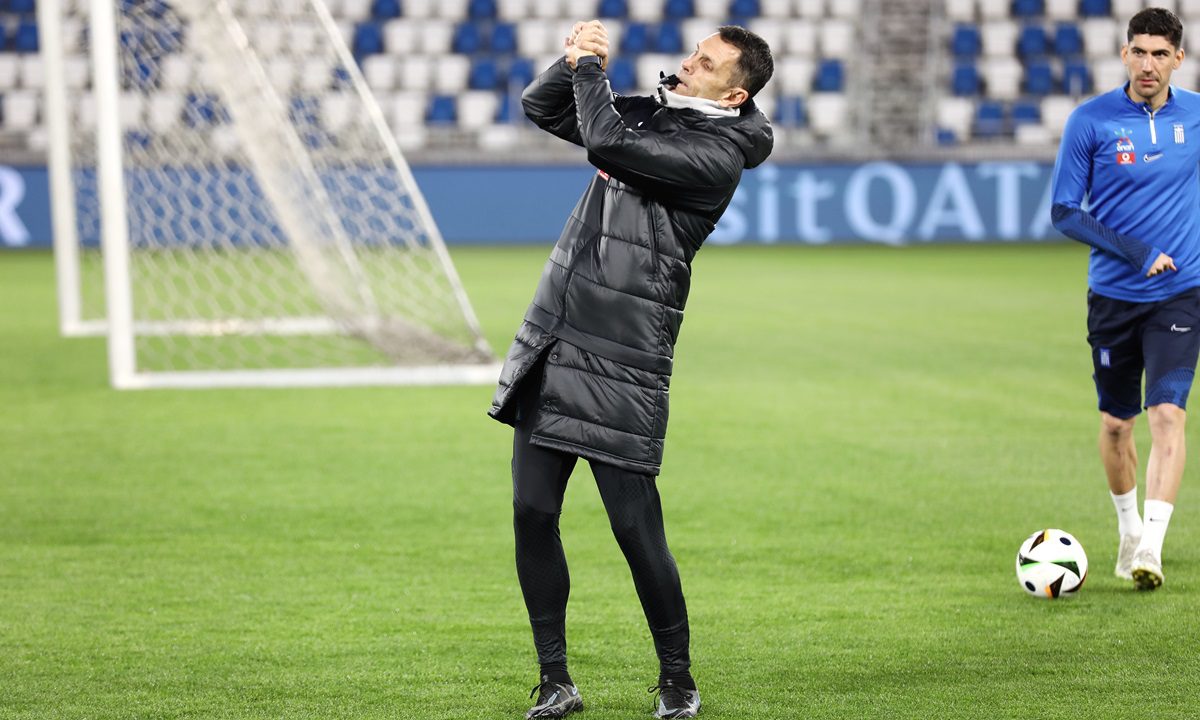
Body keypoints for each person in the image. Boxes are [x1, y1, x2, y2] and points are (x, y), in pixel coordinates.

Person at [487, 20, 773, 719]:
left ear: (733, 95)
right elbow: (542, 107)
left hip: (622, 355)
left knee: (635, 528)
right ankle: (555, 679)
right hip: (558, 332)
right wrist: (571, 63)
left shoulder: (718, 156)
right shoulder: (657, 113)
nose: (688, 62)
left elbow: (608, 141)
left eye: (706, 62)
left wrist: (592, 71)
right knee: (531, 512)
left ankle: (677, 679)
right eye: (694, 51)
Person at [1050, 6, 1200, 591]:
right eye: (1138, 51)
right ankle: (1128, 532)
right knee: (1117, 424)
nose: (1148, 64)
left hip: (1180, 295)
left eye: (1160, 54)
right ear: (1124, 54)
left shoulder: (1196, 117)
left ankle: (1151, 550)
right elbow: (1065, 212)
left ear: (1178, 59)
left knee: (1168, 414)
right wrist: (1136, 251)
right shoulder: (1090, 121)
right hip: (1113, 298)